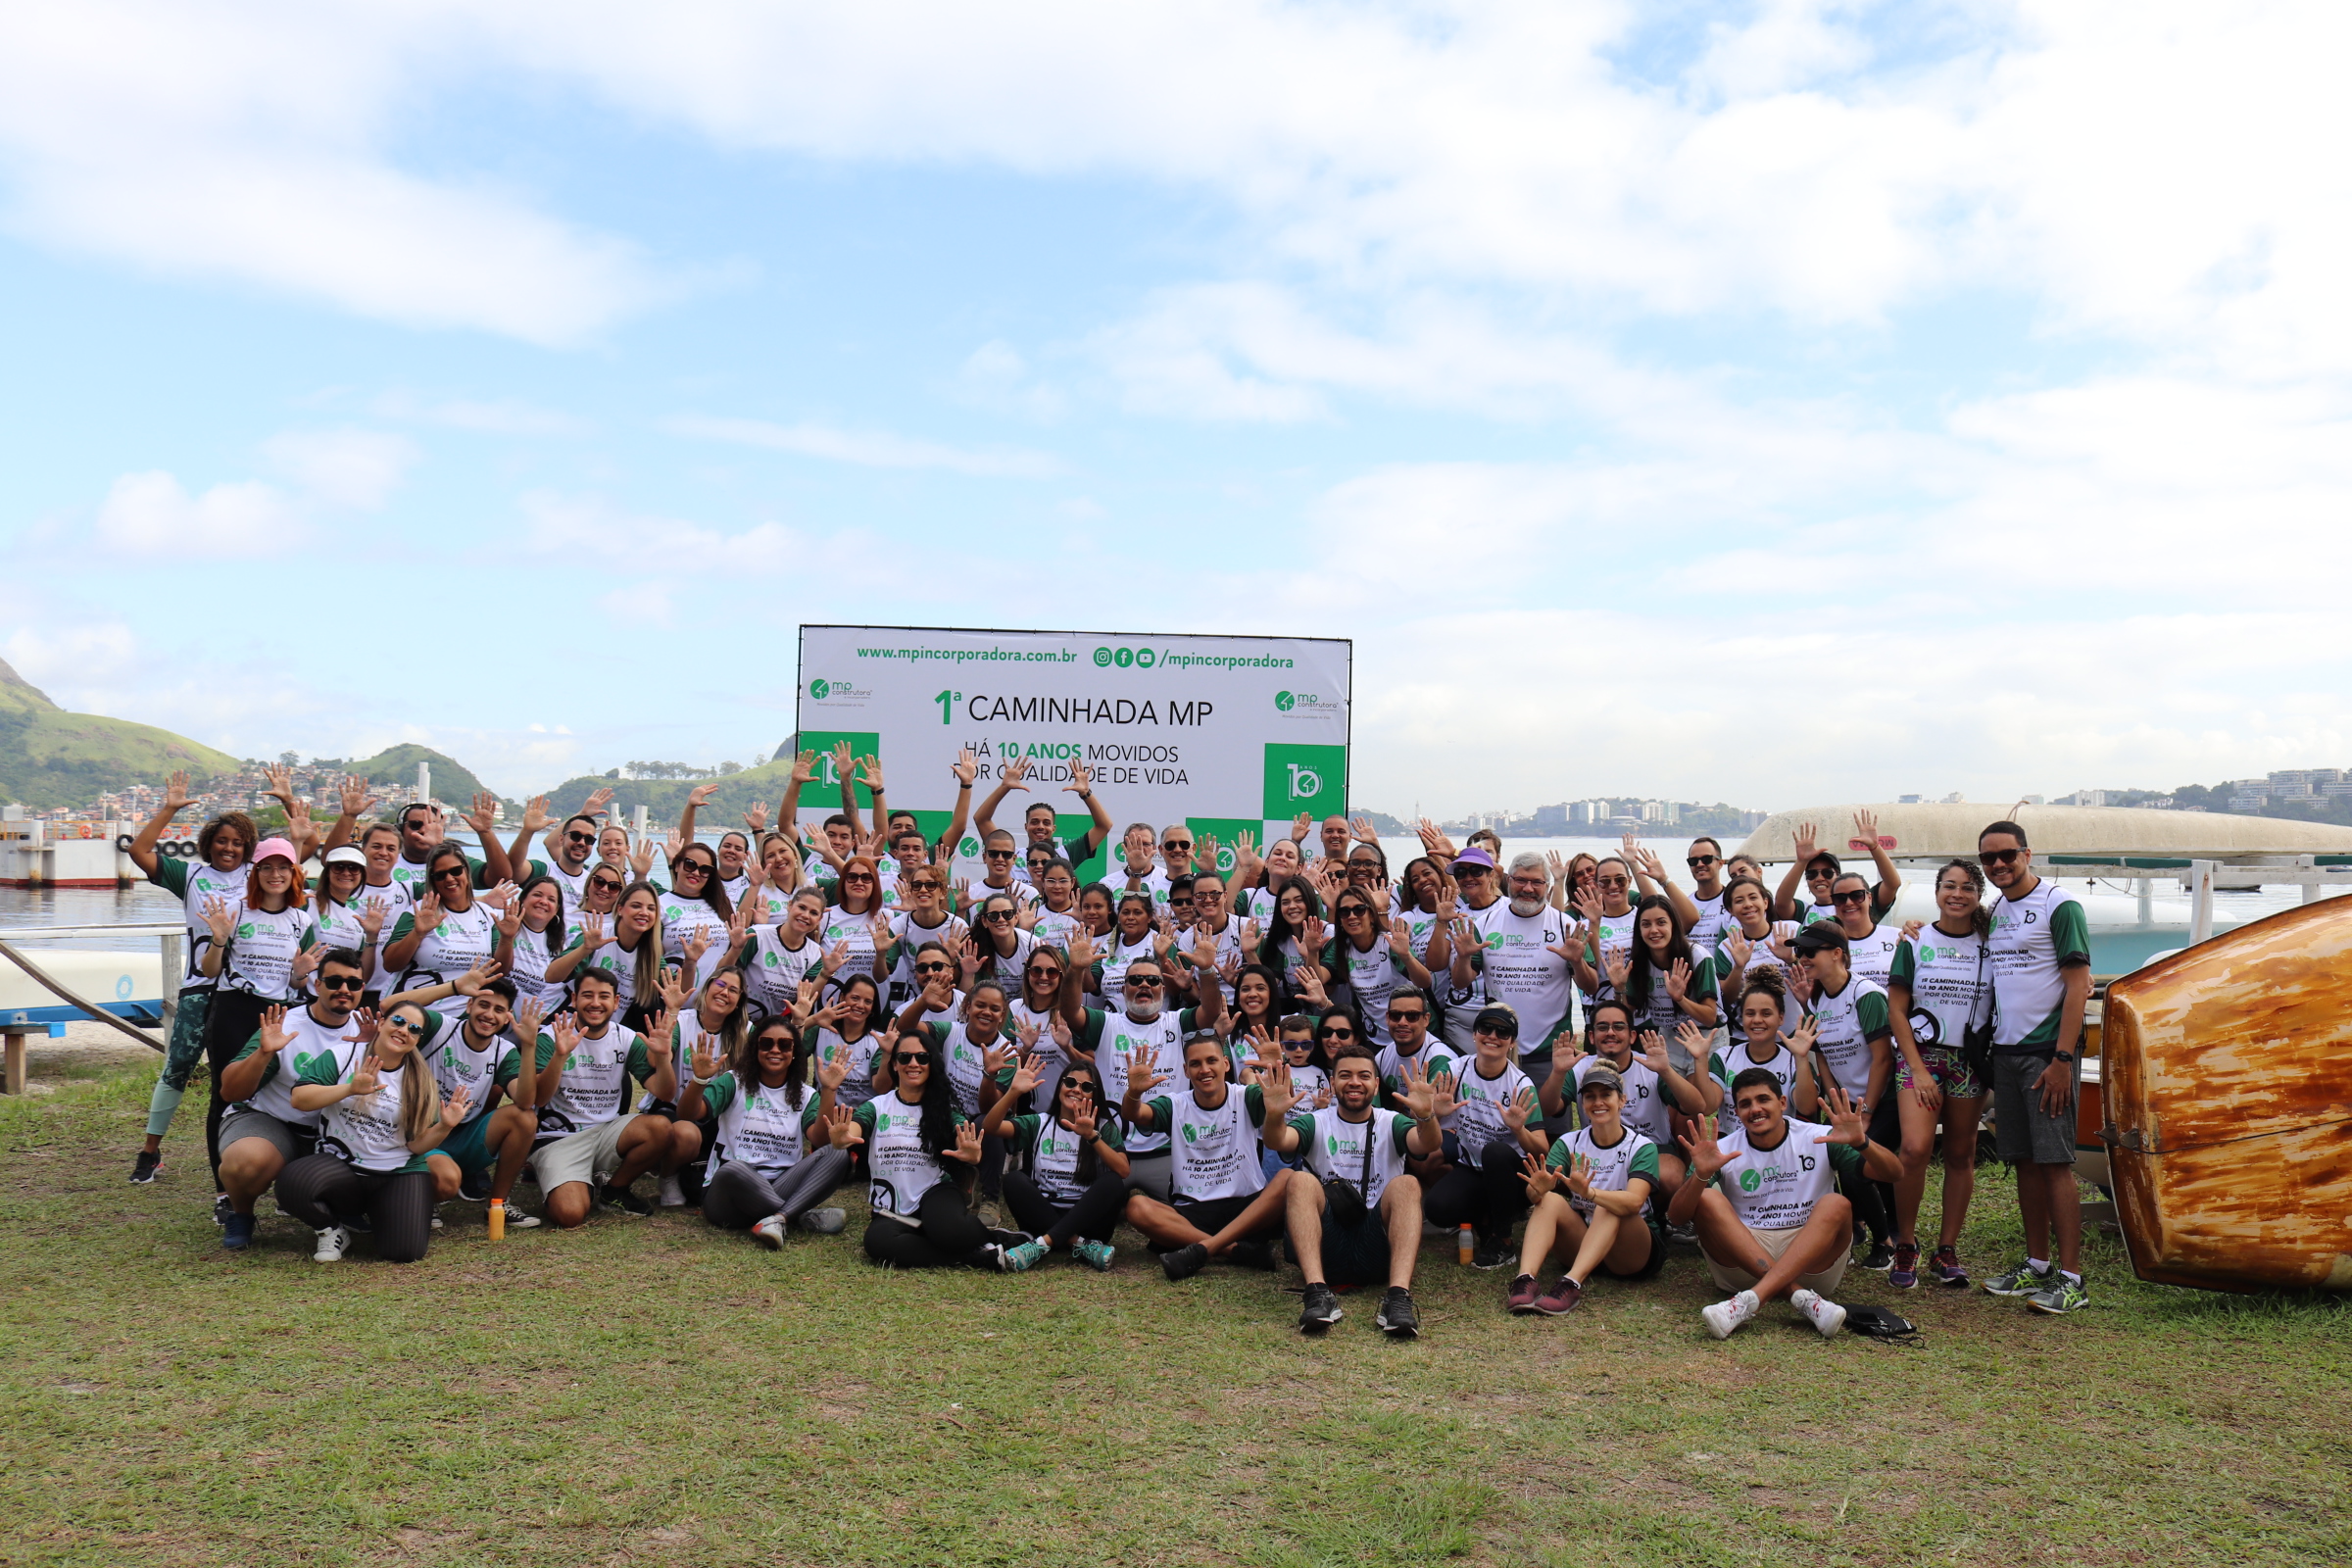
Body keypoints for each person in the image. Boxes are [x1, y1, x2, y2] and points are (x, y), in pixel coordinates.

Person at [1669, 1072, 1903, 1340]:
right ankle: (1800, 1297)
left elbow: (1894, 1173)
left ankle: (1750, 1300)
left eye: (1763, 1099)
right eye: (1745, 1104)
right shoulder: (1723, 1148)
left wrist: (1863, 1143)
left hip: (1810, 1259)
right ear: (1737, 1112)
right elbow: (1677, 1217)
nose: (1755, 1109)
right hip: (1744, 1260)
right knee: (1707, 1197)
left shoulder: (1819, 1137)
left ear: (1782, 1102)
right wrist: (1700, 1176)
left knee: (1836, 1203)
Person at [1976, 819, 2093, 1315]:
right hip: (2006, 1051)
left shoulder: (2059, 905)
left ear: (2027, 854)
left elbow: (2079, 984)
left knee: (2054, 1163)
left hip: (2048, 1053)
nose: (1999, 864)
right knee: (2023, 1161)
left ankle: (2072, 1278)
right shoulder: (1997, 910)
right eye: (1989, 858)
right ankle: (2038, 1264)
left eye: (2008, 854)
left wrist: (2063, 1059)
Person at [1259, 1045, 1445, 1338]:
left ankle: (1398, 1297)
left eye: (1364, 1076)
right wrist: (1273, 1115)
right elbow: (1278, 1140)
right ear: (1333, 1082)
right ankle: (1317, 1294)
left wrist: (1425, 1115)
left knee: (1407, 1184)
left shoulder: (1391, 1122)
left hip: (1377, 1244)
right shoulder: (1316, 1121)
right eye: (1345, 1075)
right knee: (1299, 1180)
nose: (1355, 1082)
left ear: (1376, 1084)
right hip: (1325, 1244)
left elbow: (1428, 1144)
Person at [274, 996, 474, 1263]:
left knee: (404, 1252)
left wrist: (445, 1126)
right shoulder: (343, 1055)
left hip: (395, 1172)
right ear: (381, 1023)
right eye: (398, 1021)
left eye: (414, 1029)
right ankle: (332, 1229)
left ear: (417, 1040)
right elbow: (300, 1099)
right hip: (341, 1165)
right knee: (292, 1183)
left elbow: (416, 1146)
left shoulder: (421, 1080)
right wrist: (349, 1089)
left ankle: (383, 1213)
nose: (404, 1030)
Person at [126, 772, 255, 1185]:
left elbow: (301, 857)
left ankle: (244, 1154)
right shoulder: (191, 876)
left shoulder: (259, 875)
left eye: (238, 842)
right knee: (179, 1064)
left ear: (248, 847)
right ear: (208, 843)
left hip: (248, 990)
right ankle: (150, 1152)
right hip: (202, 988)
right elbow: (139, 851)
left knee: (240, 1075)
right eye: (222, 841)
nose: (229, 848)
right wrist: (169, 808)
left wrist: (291, 809)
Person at [213, 950, 382, 1249]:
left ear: (362, 989)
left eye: (353, 984)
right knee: (244, 1163)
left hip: (335, 1130)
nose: (344, 989)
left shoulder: (369, 1030)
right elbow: (230, 1092)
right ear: (317, 985)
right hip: (275, 1121)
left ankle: (343, 1206)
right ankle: (242, 1214)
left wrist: (369, 1050)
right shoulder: (287, 1025)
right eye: (334, 981)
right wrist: (264, 1053)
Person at [193, 837, 322, 1200]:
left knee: (276, 1090)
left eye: (283, 868)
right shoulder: (235, 911)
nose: (275, 874)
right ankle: (224, 1193)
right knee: (226, 1095)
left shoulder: (301, 919)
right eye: (267, 867)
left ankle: (284, 1177)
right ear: (256, 872)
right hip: (233, 1009)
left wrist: (300, 974)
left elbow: (297, 984)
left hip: (279, 1015)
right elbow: (209, 970)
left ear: (294, 873)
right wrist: (219, 940)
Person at [824, 1025, 1014, 1271]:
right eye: (905, 1057)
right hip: (891, 1209)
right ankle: (972, 1256)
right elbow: (854, 1129)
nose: (913, 1063)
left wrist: (970, 1153)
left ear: (931, 1064)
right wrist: (843, 1136)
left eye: (922, 1058)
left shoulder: (943, 1108)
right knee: (877, 1243)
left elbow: (962, 1137)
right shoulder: (878, 1106)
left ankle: (994, 1238)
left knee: (947, 1229)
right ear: (894, 1064)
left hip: (935, 1192)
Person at [1886, 859, 1994, 1289]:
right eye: (1949, 886)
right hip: (1921, 1058)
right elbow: (1896, 1010)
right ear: (1936, 893)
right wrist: (1917, 1069)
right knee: (1914, 1150)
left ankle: (1946, 1249)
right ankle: (1906, 1244)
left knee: (1961, 1154)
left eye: (1967, 888)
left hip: (1970, 1061)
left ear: (1978, 896)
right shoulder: (1915, 941)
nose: (1957, 894)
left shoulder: (1992, 943)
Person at [1119, 1030, 1298, 1279]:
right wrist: (1134, 1093)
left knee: (1289, 1178)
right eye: (1195, 1064)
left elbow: (1280, 1097)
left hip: (1247, 1208)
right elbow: (1135, 1114)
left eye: (1211, 1060)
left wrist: (1278, 1067)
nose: (1204, 1070)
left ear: (1226, 1064)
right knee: (1137, 1207)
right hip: (1193, 1211)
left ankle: (1202, 1249)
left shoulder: (1245, 1096)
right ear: (1185, 1070)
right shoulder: (1175, 1104)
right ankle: (1233, 1250)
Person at [678, 1012, 856, 1245]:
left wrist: (829, 1090)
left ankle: (779, 1218)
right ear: (755, 1048)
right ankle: (798, 1215)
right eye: (766, 1043)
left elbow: (820, 1140)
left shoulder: (806, 1095)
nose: (775, 1050)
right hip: (728, 1196)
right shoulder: (734, 1082)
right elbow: (688, 1114)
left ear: (794, 1052)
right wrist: (700, 1080)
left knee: (837, 1152)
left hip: (780, 1185)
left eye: (784, 1045)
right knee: (733, 1169)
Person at [521, 968, 680, 1226]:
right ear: (574, 999)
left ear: (616, 1002)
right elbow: (538, 1099)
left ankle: (614, 1191)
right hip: (559, 1138)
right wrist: (560, 1056)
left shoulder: (625, 1037)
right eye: (587, 995)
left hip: (605, 1133)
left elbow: (664, 1092)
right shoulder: (551, 1036)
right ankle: (571, 1179)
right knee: (569, 1215)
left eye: (604, 996)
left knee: (661, 1127)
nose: (595, 1003)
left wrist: (663, 1058)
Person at [1507, 1064, 1665, 1314]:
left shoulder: (1641, 1146)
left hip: (1630, 1252)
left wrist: (1591, 1194)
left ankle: (1571, 1283)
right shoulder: (1570, 1142)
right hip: (1584, 1241)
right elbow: (1534, 1195)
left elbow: (1635, 1202)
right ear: (1582, 1103)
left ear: (1622, 1100)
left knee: (1611, 1205)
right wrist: (1539, 1189)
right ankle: (1525, 1279)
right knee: (1548, 1200)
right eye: (1590, 1096)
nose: (1598, 1102)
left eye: (1606, 1094)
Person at [1790, 922, 1896, 1269]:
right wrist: (1837, 1102)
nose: (1802, 958)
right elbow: (1822, 1054)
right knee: (1838, 1163)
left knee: (1859, 1167)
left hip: (1885, 1098)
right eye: (1799, 952)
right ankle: (1858, 1229)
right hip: (1848, 1104)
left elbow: (1883, 1058)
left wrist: (1866, 1112)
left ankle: (1887, 1243)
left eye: (1810, 951)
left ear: (1837, 953)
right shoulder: (1818, 998)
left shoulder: (1866, 995)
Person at [1541, 1000, 1714, 1200]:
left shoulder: (1650, 1067)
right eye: (1602, 1027)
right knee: (1557, 1174)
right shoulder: (1579, 1069)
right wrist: (1558, 1072)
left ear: (1632, 1036)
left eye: (1618, 1027)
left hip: (1652, 1146)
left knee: (1670, 1175)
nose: (1610, 1032)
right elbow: (1547, 1109)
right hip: (1596, 1149)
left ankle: (1658, 1212)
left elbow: (1697, 1106)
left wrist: (1666, 1071)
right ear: (1592, 1036)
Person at [1420, 1005, 1549, 1269]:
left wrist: (1519, 1130)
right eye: (1485, 1028)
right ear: (1474, 1034)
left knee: (1495, 1151)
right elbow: (1422, 1130)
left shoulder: (1520, 1084)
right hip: (1472, 1167)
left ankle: (1503, 1241)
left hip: (1513, 1177)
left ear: (1512, 1042)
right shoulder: (1455, 1071)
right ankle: (1485, 1219)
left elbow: (1541, 1151)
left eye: (1503, 1032)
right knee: (1437, 1208)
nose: (1492, 1036)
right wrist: (1434, 1113)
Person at [411, 975, 543, 1223]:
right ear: (469, 1005)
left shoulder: (504, 1050)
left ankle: (498, 1205)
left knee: (524, 1118)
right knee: (446, 1182)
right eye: (483, 1005)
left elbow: (525, 1101)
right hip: (422, 1134)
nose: (489, 1015)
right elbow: (390, 1008)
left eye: (499, 1010)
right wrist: (452, 987)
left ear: (507, 1018)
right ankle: (425, 1199)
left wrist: (529, 1045)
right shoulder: (440, 1027)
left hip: (462, 1135)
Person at [986, 1055, 1128, 1271]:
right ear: (1060, 1086)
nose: (1076, 1090)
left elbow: (1123, 1170)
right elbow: (990, 1127)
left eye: (1086, 1087)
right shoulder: (1039, 1123)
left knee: (1114, 1183)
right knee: (1014, 1180)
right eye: (1070, 1082)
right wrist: (1013, 1092)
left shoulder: (1103, 1127)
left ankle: (1042, 1244)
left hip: (1087, 1221)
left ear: (1095, 1094)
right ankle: (1077, 1245)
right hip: (1043, 1216)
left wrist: (1092, 1137)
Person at [382, 845, 508, 1017]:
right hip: (413, 1011)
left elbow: (501, 970)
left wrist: (507, 938)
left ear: (467, 872)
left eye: (455, 871)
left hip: (462, 1016)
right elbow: (390, 964)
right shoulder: (420, 911)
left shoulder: (487, 914)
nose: (449, 879)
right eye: (440, 875)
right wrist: (417, 934)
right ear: (432, 880)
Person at [1606, 893, 1720, 1073]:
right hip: (1669, 1035)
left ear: (1673, 924)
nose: (1654, 930)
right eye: (1646, 924)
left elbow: (1710, 1017)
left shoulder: (1698, 956)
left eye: (1661, 922)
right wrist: (1619, 989)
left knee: (1696, 1089)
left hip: (1705, 1035)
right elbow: (1626, 1012)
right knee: (1668, 1088)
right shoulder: (1639, 962)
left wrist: (1681, 999)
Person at [1689, 970, 1819, 1121]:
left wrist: (1801, 1058)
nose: (1757, 1020)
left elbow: (1807, 1108)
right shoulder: (1724, 1057)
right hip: (1733, 1137)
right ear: (1742, 1017)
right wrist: (1700, 1059)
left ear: (1780, 1018)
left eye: (1766, 1014)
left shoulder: (1793, 1062)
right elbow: (1708, 1107)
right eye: (1750, 1013)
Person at [1323, 889, 1433, 1049]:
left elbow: (1425, 981)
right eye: (1344, 912)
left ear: (1372, 915)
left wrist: (1406, 956)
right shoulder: (1341, 947)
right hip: (1374, 1038)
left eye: (1359, 909)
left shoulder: (1388, 942)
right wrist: (1312, 952)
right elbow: (1320, 978)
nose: (1352, 916)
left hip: (1412, 1029)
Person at [975, 756, 1113, 878]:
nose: (1040, 827)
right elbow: (981, 820)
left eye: (1046, 823)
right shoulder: (1010, 855)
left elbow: (1104, 826)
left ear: (1053, 828)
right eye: (1034, 822)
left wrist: (1085, 793)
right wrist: (1004, 787)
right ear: (1026, 826)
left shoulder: (1065, 855)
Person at [1774, 811, 1901, 926]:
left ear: (1838, 876)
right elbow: (1781, 903)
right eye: (1811, 874)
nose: (1819, 878)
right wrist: (1801, 862)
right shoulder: (1803, 912)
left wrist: (1874, 847)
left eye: (1827, 873)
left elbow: (1892, 884)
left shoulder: (1860, 902)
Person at [660, 840, 736, 990]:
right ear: (677, 865)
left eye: (705, 869)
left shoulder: (724, 905)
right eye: (690, 865)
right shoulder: (658, 904)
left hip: (714, 997)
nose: (695, 873)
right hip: (671, 994)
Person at [494, 873, 570, 1016]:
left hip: (529, 1019)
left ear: (556, 909)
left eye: (551, 899)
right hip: (494, 1010)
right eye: (537, 895)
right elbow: (497, 970)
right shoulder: (500, 920)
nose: (543, 901)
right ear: (523, 898)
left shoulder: (560, 948)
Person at [308, 845, 389, 977]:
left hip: (339, 990)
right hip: (304, 989)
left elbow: (362, 977)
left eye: (353, 868)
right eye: (339, 867)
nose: (346, 873)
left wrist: (372, 936)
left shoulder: (356, 920)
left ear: (362, 875)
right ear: (327, 872)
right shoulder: (308, 901)